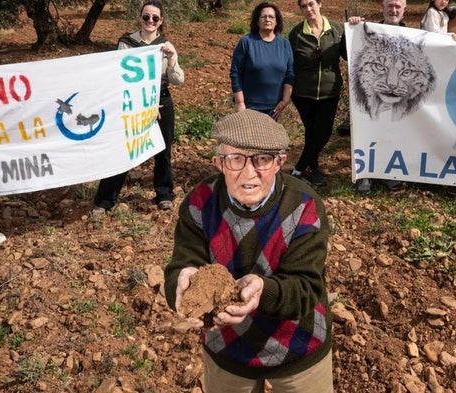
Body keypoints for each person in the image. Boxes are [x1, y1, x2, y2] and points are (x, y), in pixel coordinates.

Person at [164, 109, 333, 393]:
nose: (249, 172)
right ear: (218, 162)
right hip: (227, 352)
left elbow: (305, 287)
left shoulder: (304, 205)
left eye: (262, 159)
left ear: (280, 162)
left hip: (298, 349)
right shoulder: (199, 202)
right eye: (235, 159)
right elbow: (181, 265)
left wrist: (260, 292)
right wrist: (180, 284)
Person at [92, 0, 184, 215]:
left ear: (161, 21)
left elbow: (178, 80)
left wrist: (171, 59)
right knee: (125, 149)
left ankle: (164, 195)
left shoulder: (165, 45)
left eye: (155, 18)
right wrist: (145, 104)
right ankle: (105, 200)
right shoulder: (126, 43)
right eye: (146, 17)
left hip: (162, 101)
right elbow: (120, 77)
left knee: (163, 151)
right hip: (133, 102)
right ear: (140, 18)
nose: (150, 21)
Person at [288, 0, 362, 186]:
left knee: (324, 131)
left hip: (330, 92)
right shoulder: (296, 33)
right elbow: (289, 64)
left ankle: (298, 169)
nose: (308, 9)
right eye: (304, 6)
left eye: (311, 4)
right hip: (302, 94)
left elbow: (348, 54)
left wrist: (355, 28)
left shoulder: (337, 29)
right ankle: (313, 169)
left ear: (320, 4)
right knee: (311, 132)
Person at [356, 0, 407, 194]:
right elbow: (347, 52)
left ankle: (389, 174)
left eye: (398, 6)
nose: (393, 10)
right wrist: (352, 28)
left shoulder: (413, 34)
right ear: (383, 8)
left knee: (392, 134)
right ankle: (365, 175)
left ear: (404, 9)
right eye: (390, 6)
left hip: (398, 96)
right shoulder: (368, 31)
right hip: (372, 96)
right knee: (368, 132)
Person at [229, 2, 294, 121]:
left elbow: (289, 74)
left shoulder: (284, 44)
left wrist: (285, 101)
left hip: (274, 109)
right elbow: (235, 73)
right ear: (257, 21)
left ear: (276, 21)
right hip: (250, 106)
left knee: (270, 139)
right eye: (263, 16)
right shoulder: (247, 42)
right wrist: (239, 102)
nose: (267, 19)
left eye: (271, 17)